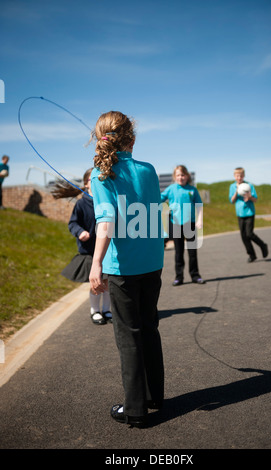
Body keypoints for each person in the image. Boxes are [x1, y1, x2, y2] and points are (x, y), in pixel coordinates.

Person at [89, 111, 164, 428]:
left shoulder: (100, 174)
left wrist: (95, 262)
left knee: (128, 337)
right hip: (153, 261)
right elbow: (148, 213)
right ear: (131, 138)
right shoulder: (148, 170)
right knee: (149, 328)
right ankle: (154, 396)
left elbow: (106, 222)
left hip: (124, 267)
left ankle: (135, 410)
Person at [52, 168, 111, 325]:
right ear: (86, 184)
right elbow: (73, 223)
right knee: (96, 283)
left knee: (107, 283)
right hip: (90, 251)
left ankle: (106, 310)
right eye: (94, 180)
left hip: (107, 251)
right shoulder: (81, 204)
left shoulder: (105, 201)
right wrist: (80, 232)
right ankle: (95, 311)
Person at [160, 165, 205, 286]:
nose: (181, 177)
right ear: (175, 177)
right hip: (176, 224)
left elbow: (199, 205)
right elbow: (160, 199)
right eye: (178, 175)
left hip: (190, 224)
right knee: (178, 253)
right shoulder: (171, 189)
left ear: (187, 176)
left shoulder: (192, 190)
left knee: (192, 252)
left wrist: (199, 220)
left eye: (183, 175)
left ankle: (195, 275)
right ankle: (179, 277)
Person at [229, 167, 268, 263]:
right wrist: (236, 192)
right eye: (237, 176)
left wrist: (249, 197)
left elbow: (255, 199)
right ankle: (252, 255)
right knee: (244, 236)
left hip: (249, 213)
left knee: (249, 234)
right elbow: (232, 201)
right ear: (234, 176)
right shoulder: (232, 187)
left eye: (241, 175)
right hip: (240, 214)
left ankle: (263, 245)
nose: (239, 177)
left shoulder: (249, 185)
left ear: (244, 176)